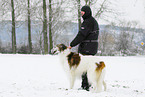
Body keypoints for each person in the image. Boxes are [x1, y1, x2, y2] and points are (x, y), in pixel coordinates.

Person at [68, 5, 99, 91]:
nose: (81, 13)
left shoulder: (87, 22)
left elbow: (81, 35)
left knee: (85, 67)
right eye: (81, 12)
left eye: (83, 12)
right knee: (90, 67)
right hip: (92, 47)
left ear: (87, 12)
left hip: (87, 48)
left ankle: (85, 86)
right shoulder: (93, 21)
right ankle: (90, 85)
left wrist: (72, 44)